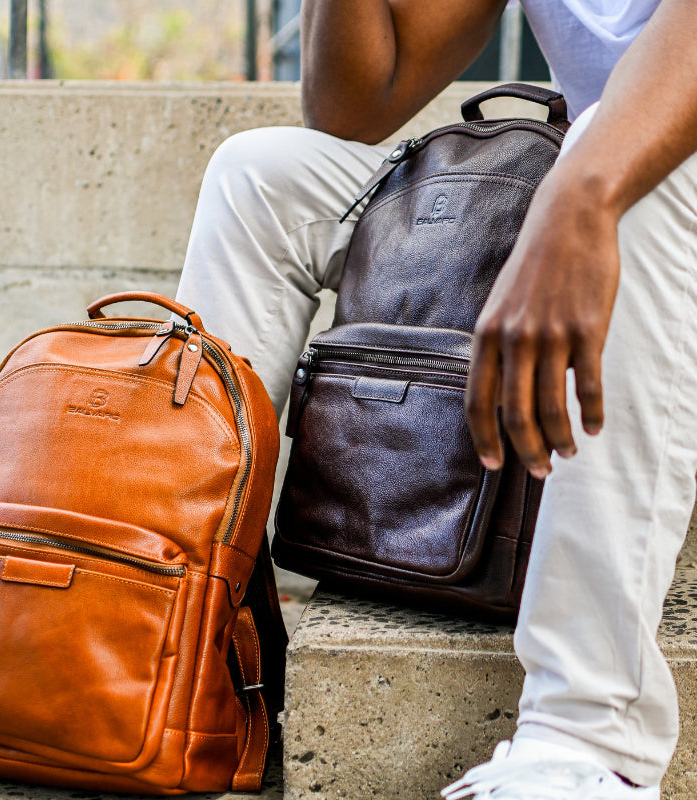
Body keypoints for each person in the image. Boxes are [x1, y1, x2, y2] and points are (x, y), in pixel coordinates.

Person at [176, 1, 697, 797]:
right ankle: (182, 643)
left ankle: (590, 743)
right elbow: (354, 103)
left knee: (616, 163)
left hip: (638, 194)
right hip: (587, 187)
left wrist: (580, 194)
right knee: (259, 176)